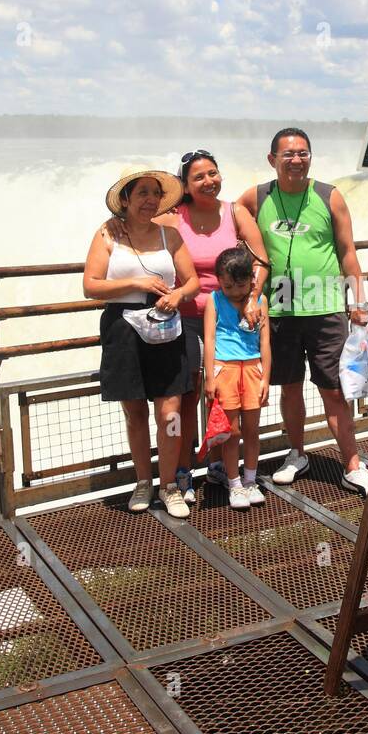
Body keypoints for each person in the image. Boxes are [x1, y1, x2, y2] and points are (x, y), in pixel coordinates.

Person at [236, 128, 368, 495]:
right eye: (288, 154)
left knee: (334, 391)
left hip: (325, 309)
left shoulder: (329, 196)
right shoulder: (257, 196)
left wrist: (357, 302)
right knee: (289, 388)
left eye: (303, 153)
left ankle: (353, 464)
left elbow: (347, 252)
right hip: (277, 312)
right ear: (272, 160)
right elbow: (223, 219)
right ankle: (297, 453)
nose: (296, 160)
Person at [153, 150, 269, 504]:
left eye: (213, 173)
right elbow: (146, 237)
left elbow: (262, 260)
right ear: (185, 185)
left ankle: (222, 466)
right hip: (187, 317)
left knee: (227, 394)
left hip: (233, 318)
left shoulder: (236, 212)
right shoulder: (174, 218)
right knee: (189, 395)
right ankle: (184, 470)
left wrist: (252, 298)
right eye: (199, 177)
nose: (209, 181)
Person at [84, 170, 200, 518]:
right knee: (135, 414)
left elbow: (192, 281)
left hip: (166, 324)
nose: (150, 199)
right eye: (142, 193)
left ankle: (169, 486)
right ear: (126, 200)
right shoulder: (108, 234)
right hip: (122, 327)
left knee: (171, 413)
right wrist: (138, 282)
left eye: (155, 193)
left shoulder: (171, 236)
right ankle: (143, 482)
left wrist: (177, 294)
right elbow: (91, 285)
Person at [203, 246, 270, 510]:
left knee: (252, 430)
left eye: (240, 286)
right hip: (224, 369)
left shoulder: (261, 301)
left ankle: (251, 480)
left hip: (253, 368)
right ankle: (234, 484)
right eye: (228, 286)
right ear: (219, 280)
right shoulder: (214, 300)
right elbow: (209, 339)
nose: (234, 292)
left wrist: (266, 376)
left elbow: (265, 343)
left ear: (251, 281)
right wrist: (210, 377)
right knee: (231, 432)